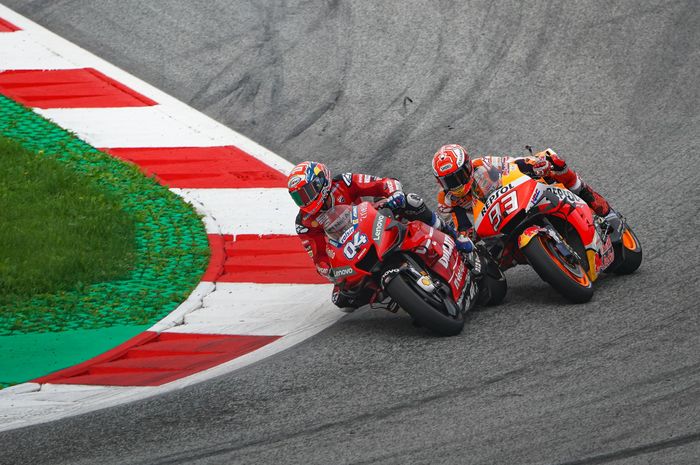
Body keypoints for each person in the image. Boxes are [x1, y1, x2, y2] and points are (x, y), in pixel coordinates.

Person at [288, 160, 469, 310]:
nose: (305, 201)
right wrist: (327, 270)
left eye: (307, 193)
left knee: (410, 201)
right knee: (342, 301)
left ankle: (453, 235)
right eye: (299, 198)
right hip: (349, 250)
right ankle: (397, 291)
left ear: (321, 182)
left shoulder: (343, 182)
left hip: (371, 222)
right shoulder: (304, 223)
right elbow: (318, 255)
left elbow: (382, 183)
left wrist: (394, 193)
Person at [432, 144, 612, 250]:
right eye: (449, 181)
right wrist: (466, 238)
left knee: (553, 161)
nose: (456, 184)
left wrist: (536, 164)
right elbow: (461, 228)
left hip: (516, 198)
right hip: (496, 226)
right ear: (440, 182)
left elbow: (512, 164)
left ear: (469, 167)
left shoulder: (483, 164)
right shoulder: (446, 200)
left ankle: (594, 202)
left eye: (459, 175)